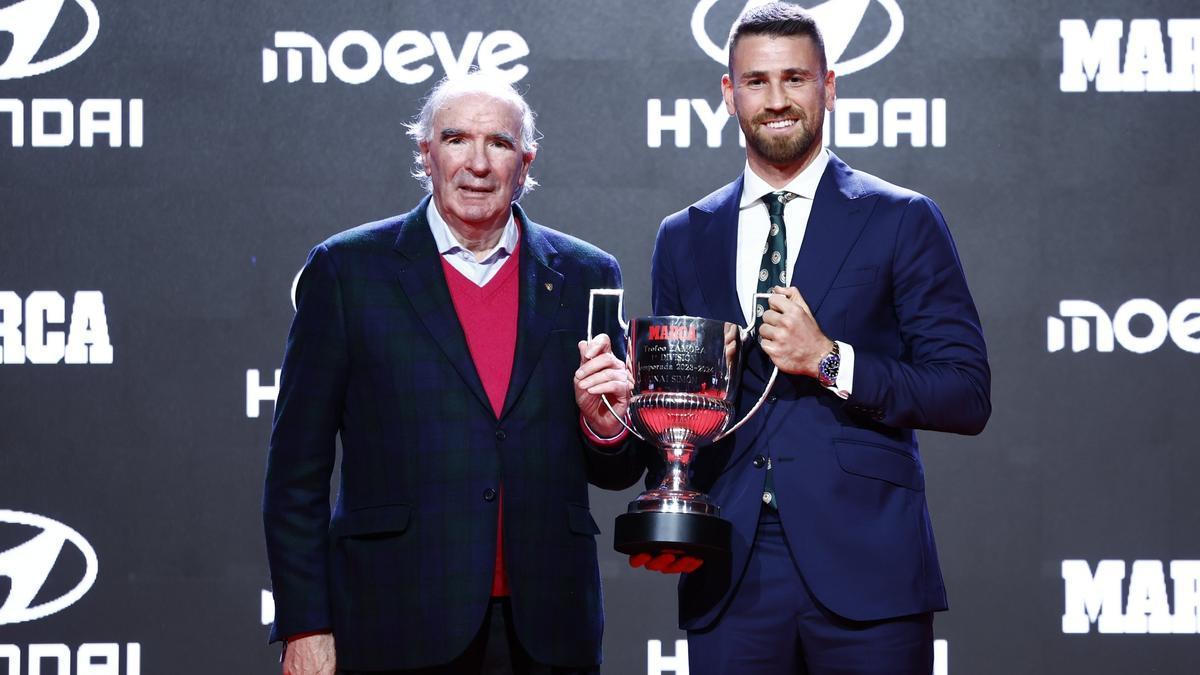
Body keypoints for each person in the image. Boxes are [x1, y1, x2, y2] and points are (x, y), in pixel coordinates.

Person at [637, 3, 992, 674]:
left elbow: (966, 393)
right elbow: (678, 412)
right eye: (757, 81)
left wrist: (829, 359)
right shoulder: (683, 236)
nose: (776, 100)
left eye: (795, 78)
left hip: (869, 565)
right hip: (730, 566)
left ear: (829, 87)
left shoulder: (901, 219)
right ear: (729, 93)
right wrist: (639, 443)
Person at [262, 71, 641, 675]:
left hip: (547, 626)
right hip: (393, 618)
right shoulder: (347, 271)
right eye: (458, 139)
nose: (478, 163)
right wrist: (307, 624)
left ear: (526, 162)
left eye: (499, 143)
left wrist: (606, 426)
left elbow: (619, 470)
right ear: (426, 152)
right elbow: (295, 474)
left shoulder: (587, 273)